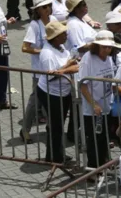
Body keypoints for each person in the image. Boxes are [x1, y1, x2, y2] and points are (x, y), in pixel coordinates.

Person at [37, 21, 79, 164]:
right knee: (56, 126)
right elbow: (51, 75)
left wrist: (69, 64)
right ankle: (55, 157)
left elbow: (59, 68)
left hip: (63, 91)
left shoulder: (60, 47)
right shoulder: (47, 54)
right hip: (51, 94)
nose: (66, 36)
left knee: (58, 124)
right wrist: (68, 69)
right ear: (55, 37)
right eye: (63, 34)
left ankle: (56, 154)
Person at [78, 31, 121, 169]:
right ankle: (93, 169)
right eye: (103, 47)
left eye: (109, 47)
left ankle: (103, 163)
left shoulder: (108, 58)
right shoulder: (88, 59)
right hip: (92, 110)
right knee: (94, 140)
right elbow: (83, 85)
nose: (107, 50)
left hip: (107, 106)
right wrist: (94, 104)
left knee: (104, 138)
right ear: (97, 46)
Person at [20, 0, 55, 143]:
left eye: (49, 6)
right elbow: (24, 47)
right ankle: (25, 130)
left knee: (52, 104)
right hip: (39, 72)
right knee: (35, 103)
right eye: (44, 7)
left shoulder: (54, 21)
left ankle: (52, 129)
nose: (48, 9)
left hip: (53, 70)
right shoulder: (35, 26)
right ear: (38, 10)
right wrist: (43, 51)